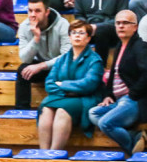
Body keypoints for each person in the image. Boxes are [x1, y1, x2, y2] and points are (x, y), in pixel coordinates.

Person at [88, 10, 147, 154]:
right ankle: (134, 137)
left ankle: (133, 150)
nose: (121, 26)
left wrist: (133, 94)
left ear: (135, 27)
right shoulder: (120, 45)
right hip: (119, 100)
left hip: (135, 100)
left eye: (126, 23)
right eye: (118, 23)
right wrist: (108, 94)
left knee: (105, 123)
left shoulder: (141, 46)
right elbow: (114, 72)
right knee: (93, 113)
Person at [37, 20, 104, 150]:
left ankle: (54, 154)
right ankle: (43, 153)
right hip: (63, 96)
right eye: (74, 32)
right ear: (69, 36)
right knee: (46, 109)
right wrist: (68, 91)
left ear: (88, 38)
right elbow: (49, 84)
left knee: (63, 110)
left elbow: (88, 85)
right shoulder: (62, 59)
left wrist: (62, 84)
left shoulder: (95, 60)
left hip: (84, 99)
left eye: (81, 33)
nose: (77, 36)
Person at [15, 0, 70, 109]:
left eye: (37, 11)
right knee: (22, 69)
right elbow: (25, 59)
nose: (32, 15)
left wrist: (42, 65)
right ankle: (22, 110)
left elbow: (67, 56)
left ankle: (60, 107)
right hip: (42, 69)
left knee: (67, 69)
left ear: (47, 12)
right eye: (30, 11)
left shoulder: (63, 25)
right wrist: (36, 39)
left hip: (60, 68)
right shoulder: (25, 27)